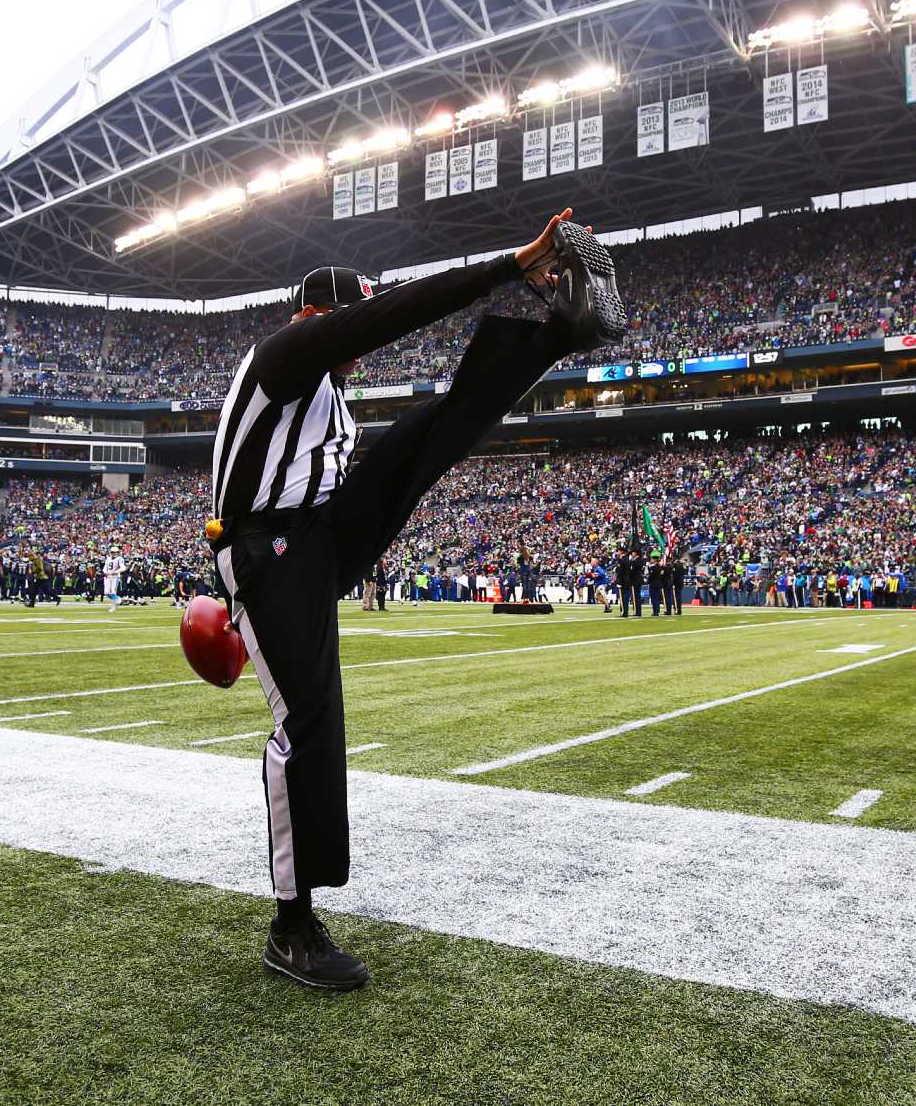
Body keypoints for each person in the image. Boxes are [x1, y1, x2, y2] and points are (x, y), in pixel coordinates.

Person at [201, 208, 622, 991]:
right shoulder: (286, 355)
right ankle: (291, 926)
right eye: (350, 320)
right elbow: (398, 313)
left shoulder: (327, 396)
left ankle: (560, 332)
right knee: (309, 721)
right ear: (316, 317)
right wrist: (511, 260)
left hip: (315, 535)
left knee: (424, 433)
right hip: (269, 548)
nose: (359, 349)